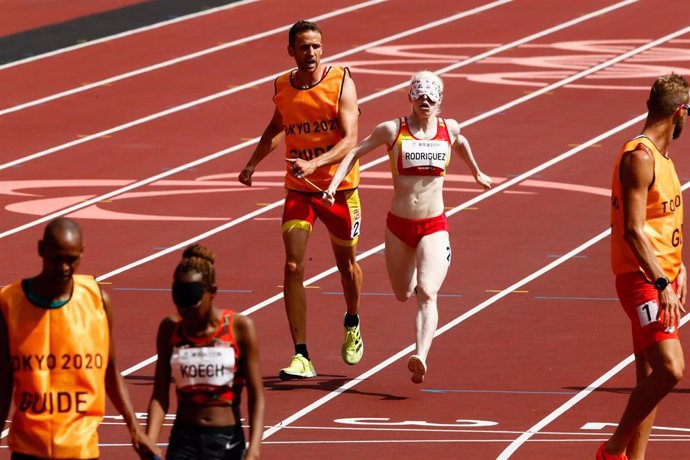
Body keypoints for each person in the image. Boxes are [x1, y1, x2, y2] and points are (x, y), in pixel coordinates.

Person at [322, 71, 492, 383]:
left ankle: (420, 356)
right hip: (398, 226)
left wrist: (477, 173)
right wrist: (334, 184)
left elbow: (462, 142)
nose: (425, 101)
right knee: (403, 293)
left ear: (439, 99)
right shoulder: (392, 130)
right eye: (419, 95)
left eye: (431, 96)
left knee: (427, 292)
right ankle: (414, 277)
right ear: (410, 97)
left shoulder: (448, 128)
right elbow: (354, 153)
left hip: (434, 225)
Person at [238, 19, 364, 379]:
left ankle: (352, 321)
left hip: (338, 189)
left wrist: (316, 163)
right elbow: (278, 125)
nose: (311, 53)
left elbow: (351, 139)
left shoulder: (341, 82)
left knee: (347, 267)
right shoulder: (282, 86)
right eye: (304, 47)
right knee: (293, 265)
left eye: (316, 46)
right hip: (300, 191)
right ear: (291, 51)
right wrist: (251, 163)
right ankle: (301, 354)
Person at [0, 217, 160, 460]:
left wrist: (135, 428)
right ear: (41, 249)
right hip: (29, 449)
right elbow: (3, 381)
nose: (64, 267)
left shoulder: (96, 301)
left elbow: (110, 371)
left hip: (81, 449)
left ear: (82, 253)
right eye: (57, 259)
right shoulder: (10, 303)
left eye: (72, 259)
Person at [600, 73, 689, 460]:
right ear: (679, 112)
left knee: (649, 379)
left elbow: (660, 223)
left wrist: (679, 266)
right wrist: (660, 281)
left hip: (661, 276)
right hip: (643, 281)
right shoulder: (641, 157)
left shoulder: (663, 158)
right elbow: (634, 231)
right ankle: (613, 448)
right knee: (672, 370)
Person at [145, 244, 264, 460]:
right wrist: (149, 441)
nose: (185, 309)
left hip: (227, 442)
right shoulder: (170, 329)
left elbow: (256, 396)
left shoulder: (239, 328)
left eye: (192, 301)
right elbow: (159, 394)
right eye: (179, 300)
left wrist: (254, 449)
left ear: (212, 292)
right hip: (183, 442)